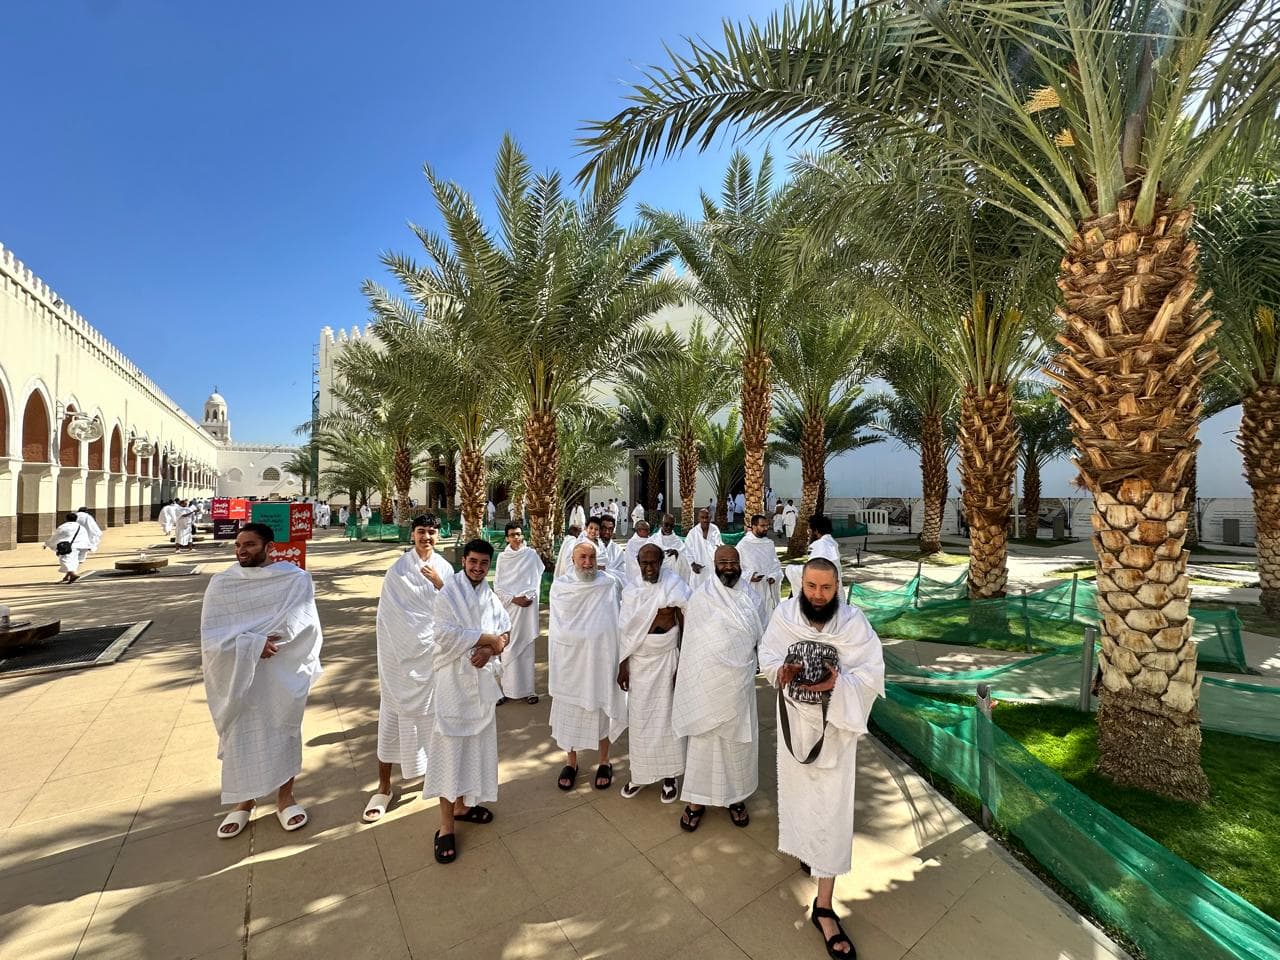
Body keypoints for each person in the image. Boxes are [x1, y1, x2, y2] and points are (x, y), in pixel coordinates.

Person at [759, 558, 885, 958]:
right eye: (811, 586)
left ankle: (824, 906)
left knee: (831, 811)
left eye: (825, 588)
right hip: (794, 730)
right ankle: (809, 855)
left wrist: (838, 684)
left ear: (837, 587)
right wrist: (782, 670)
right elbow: (767, 655)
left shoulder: (853, 625)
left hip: (835, 735)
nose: (817, 595)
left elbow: (872, 674)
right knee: (799, 801)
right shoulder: (784, 614)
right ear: (802, 584)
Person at [201, 523, 324, 839]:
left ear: (269, 547)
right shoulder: (223, 584)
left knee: (283, 727)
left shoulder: (294, 579)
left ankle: (286, 799)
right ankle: (244, 801)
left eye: (250, 545)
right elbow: (212, 635)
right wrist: (252, 645)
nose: (242, 550)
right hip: (239, 675)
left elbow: (303, 621)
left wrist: (272, 644)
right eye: (239, 545)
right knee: (240, 733)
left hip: (279, 669)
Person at [423, 539, 510, 865]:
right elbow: (444, 635)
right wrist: (485, 638)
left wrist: (490, 648)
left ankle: (462, 806)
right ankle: (445, 826)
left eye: (483, 563)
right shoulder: (448, 594)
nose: (477, 568)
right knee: (450, 751)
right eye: (472, 562)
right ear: (464, 561)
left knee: (474, 747)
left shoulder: (489, 595)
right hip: (453, 688)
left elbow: (506, 631)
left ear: (489, 565)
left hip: (482, 686)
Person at [363, 515, 453, 823]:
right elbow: (390, 616)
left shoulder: (446, 568)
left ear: (438, 535)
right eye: (421, 532)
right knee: (391, 719)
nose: (426, 537)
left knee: (438, 722)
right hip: (401, 659)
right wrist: (414, 642)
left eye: (431, 531)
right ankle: (384, 787)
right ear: (412, 534)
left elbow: (458, 608)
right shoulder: (398, 570)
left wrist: (441, 585)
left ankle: (438, 777)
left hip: (436, 659)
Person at [672, 545, 766, 831]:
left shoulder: (752, 597)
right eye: (722, 561)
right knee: (706, 741)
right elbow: (694, 645)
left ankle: (736, 799)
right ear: (714, 564)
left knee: (738, 744)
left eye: (732, 561)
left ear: (740, 563)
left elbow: (760, 635)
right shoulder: (702, 597)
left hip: (739, 683)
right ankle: (696, 801)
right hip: (708, 685)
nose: (728, 566)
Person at [548, 543, 627, 792]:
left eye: (592, 557)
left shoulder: (609, 583)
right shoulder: (561, 587)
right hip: (570, 664)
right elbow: (558, 626)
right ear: (572, 560)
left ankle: (604, 761)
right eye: (582, 557)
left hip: (601, 662)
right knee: (569, 712)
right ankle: (570, 763)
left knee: (601, 708)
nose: (587, 562)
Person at [617, 545, 692, 802]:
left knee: (666, 717)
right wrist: (622, 665)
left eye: (654, 563)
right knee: (640, 719)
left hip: (667, 657)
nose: (649, 568)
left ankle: (670, 776)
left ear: (662, 562)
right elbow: (626, 631)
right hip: (639, 661)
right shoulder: (631, 591)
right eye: (644, 563)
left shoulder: (674, 585)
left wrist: (682, 664)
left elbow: (686, 622)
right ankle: (640, 774)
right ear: (638, 563)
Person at [494, 522, 544, 705]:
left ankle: (528, 690)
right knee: (508, 648)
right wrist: (514, 599)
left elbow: (537, 578)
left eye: (519, 534)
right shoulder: (502, 558)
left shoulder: (531, 555)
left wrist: (529, 596)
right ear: (507, 538)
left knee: (527, 648)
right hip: (510, 608)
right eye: (513, 535)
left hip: (527, 608)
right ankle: (505, 690)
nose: (517, 538)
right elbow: (498, 587)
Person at [738, 513, 783, 620]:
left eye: (767, 526)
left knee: (770, 618)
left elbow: (776, 565)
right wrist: (749, 576)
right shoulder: (743, 544)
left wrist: (774, 576)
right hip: (753, 589)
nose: (766, 528)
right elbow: (736, 567)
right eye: (762, 526)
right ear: (753, 526)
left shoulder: (769, 543)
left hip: (769, 588)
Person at [787, 515, 842, 595]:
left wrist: (791, 570)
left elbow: (815, 570)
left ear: (816, 531)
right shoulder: (830, 543)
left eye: (809, 529)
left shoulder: (822, 545)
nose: (808, 532)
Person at [684, 508, 722, 587]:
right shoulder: (692, 533)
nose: (705, 520)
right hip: (699, 570)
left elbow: (718, 545)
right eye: (702, 517)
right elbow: (687, 550)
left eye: (706, 517)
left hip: (712, 568)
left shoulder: (715, 529)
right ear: (698, 518)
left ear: (710, 518)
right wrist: (693, 564)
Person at [44, 512, 87, 583]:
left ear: (66, 519)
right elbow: (85, 537)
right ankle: (67, 577)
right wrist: (87, 546)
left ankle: (72, 574)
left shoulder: (63, 527)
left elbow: (55, 537)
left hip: (65, 547)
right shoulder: (81, 527)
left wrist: (47, 543)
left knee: (65, 561)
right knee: (73, 562)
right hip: (77, 547)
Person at [653, 514, 692, 582]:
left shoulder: (678, 542)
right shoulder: (653, 540)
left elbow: (687, 559)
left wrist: (677, 553)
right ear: (662, 524)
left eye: (671, 526)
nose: (668, 527)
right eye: (666, 524)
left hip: (673, 579)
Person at [598, 514, 625, 587]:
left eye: (610, 529)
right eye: (604, 528)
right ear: (599, 529)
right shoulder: (590, 547)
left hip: (613, 589)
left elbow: (623, 574)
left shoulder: (618, 550)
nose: (607, 532)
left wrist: (605, 572)